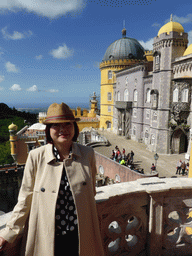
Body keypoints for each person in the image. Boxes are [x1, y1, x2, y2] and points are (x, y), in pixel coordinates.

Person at [0, 103, 104, 256]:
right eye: (56, 125)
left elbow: (90, 192)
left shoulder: (87, 154)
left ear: (74, 127)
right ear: (49, 130)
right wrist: (8, 233)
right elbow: (25, 199)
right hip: (48, 237)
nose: (63, 129)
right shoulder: (36, 157)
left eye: (67, 124)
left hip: (80, 235)